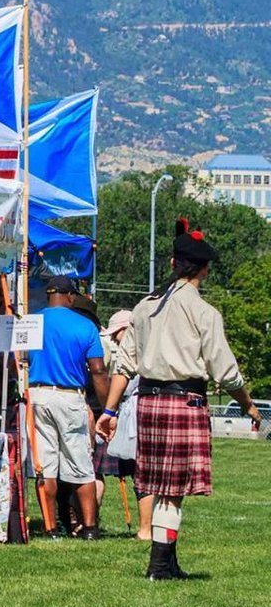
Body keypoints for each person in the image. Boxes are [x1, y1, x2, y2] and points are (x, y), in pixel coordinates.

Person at [95, 221, 261, 580]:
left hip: (149, 404)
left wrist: (109, 410)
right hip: (185, 402)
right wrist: (248, 404)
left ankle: (165, 562)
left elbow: (124, 365)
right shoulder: (204, 313)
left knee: (159, 488)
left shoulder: (143, 308)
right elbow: (226, 371)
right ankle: (159, 564)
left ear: (173, 263)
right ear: (204, 269)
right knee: (173, 491)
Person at [27, 277, 109, 539]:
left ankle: (51, 528)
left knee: (45, 466)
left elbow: (15, 361)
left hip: (37, 395)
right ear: (71, 297)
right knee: (81, 464)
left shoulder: (31, 320)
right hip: (70, 396)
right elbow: (98, 370)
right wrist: (108, 409)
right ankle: (90, 527)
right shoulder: (85, 326)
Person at [96, 308, 150, 541]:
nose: (114, 339)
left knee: (138, 471)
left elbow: (123, 386)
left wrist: (110, 408)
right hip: (139, 413)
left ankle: (145, 529)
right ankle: (147, 527)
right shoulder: (151, 348)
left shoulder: (132, 354)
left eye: (116, 333)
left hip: (131, 415)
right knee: (142, 470)